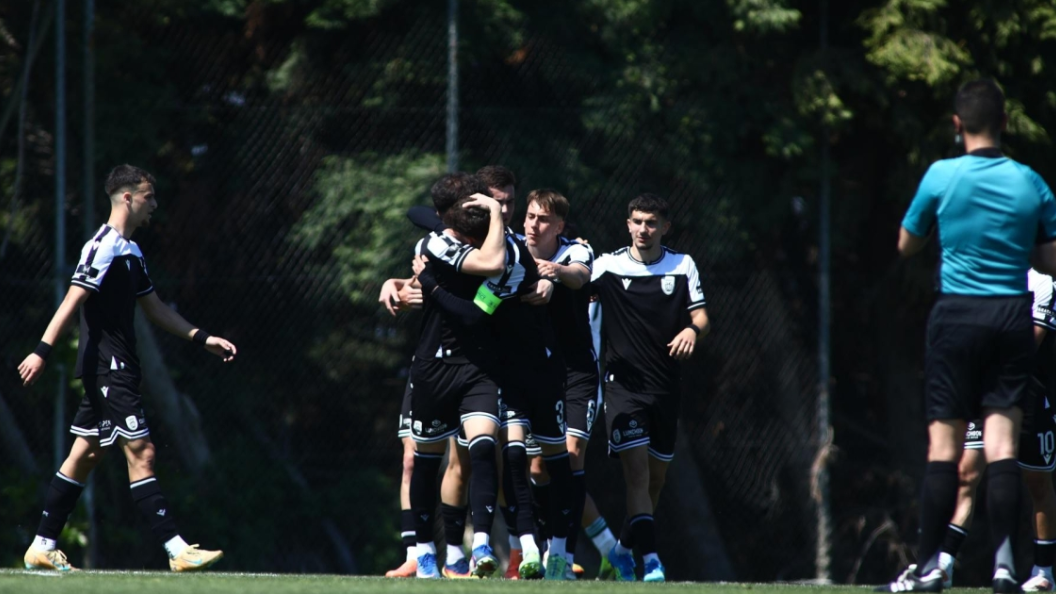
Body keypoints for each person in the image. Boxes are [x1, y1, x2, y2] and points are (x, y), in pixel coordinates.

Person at [880, 79, 1056, 593]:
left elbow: (906, 244)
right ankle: (1006, 572)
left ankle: (929, 570)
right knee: (1002, 447)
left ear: (957, 125)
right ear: (1004, 122)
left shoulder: (941, 174)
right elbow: (1050, 261)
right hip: (1010, 317)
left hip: (956, 316)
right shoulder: (1031, 182)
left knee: (945, 450)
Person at [18, 164, 236, 572]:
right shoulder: (101, 247)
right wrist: (41, 352)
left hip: (119, 367)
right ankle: (177, 550)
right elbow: (71, 301)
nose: (155, 204)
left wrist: (202, 338)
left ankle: (41, 545)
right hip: (108, 367)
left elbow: (155, 309)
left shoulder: (131, 252)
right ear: (128, 198)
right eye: (149, 196)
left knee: (84, 454)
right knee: (143, 451)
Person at [590, 193, 709, 582]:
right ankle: (652, 560)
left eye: (652, 222)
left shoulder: (682, 265)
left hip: (665, 388)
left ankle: (622, 551)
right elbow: (575, 285)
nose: (644, 229)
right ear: (628, 225)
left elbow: (701, 316)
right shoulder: (606, 266)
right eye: (638, 222)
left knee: (655, 481)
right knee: (638, 475)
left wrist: (692, 330)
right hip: (622, 387)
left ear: (665, 227)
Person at [406, 183, 508, 579]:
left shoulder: (506, 256)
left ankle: (480, 543)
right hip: (433, 368)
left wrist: (429, 284)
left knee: (483, 447)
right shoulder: (438, 243)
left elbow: (475, 314)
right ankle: (425, 552)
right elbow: (419, 213)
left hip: (477, 369)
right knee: (425, 462)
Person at [935, 269, 1056, 592]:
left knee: (1038, 483)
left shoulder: (1043, 282)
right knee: (967, 472)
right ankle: (944, 564)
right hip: (988, 392)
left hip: (1029, 396)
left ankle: (1044, 571)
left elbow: (1029, 345)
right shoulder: (987, 275)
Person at [520, 189, 618, 579]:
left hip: (579, 374)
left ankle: (561, 554)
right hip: (536, 373)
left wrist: (553, 273)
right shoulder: (509, 252)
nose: (533, 224)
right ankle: (551, 546)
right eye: (530, 216)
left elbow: (578, 276)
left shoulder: (578, 252)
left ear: (559, 226)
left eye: (543, 219)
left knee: (571, 456)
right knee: (537, 466)